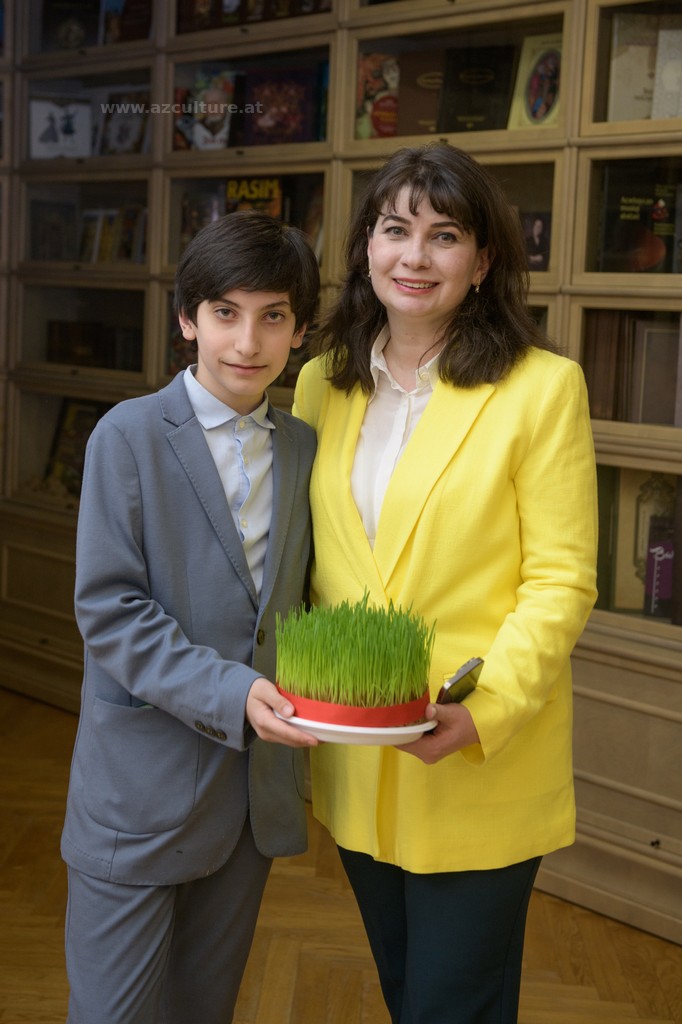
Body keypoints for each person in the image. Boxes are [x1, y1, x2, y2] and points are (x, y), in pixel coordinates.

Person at [293, 143, 598, 1024]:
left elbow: (561, 580)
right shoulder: (320, 384)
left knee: (449, 1005)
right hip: (358, 758)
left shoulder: (543, 389)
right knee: (408, 994)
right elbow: (303, 564)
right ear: (366, 245)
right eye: (396, 230)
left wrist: (485, 710)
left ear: (483, 261)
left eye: (445, 236)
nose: (415, 257)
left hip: (477, 756)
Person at [61, 210, 320, 1024]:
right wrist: (231, 692)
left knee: (203, 1011)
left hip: (249, 800)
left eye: (273, 316)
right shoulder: (127, 436)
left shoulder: (303, 448)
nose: (247, 341)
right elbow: (109, 610)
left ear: (300, 332)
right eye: (225, 312)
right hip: (139, 792)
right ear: (187, 319)